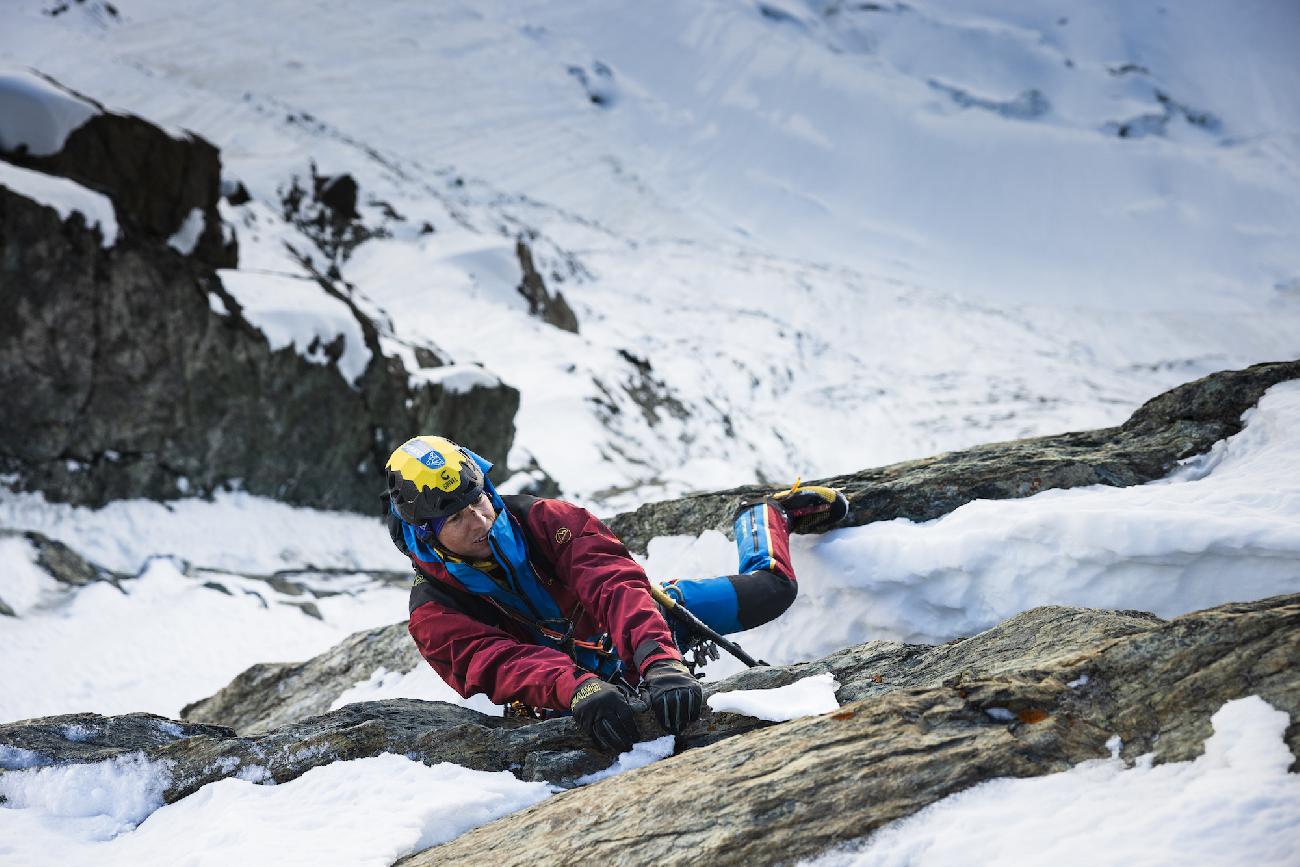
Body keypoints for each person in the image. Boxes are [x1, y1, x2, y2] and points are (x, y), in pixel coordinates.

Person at [383, 435, 848, 752]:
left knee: (774, 589)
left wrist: (660, 659)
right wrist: (575, 685)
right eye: (457, 519)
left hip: (642, 625)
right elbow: (497, 662)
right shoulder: (433, 612)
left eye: (478, 501)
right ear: (425, 532)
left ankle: (762, 518)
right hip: (564, 695)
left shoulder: (546, 520)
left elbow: (615, 585)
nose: (480, 521)